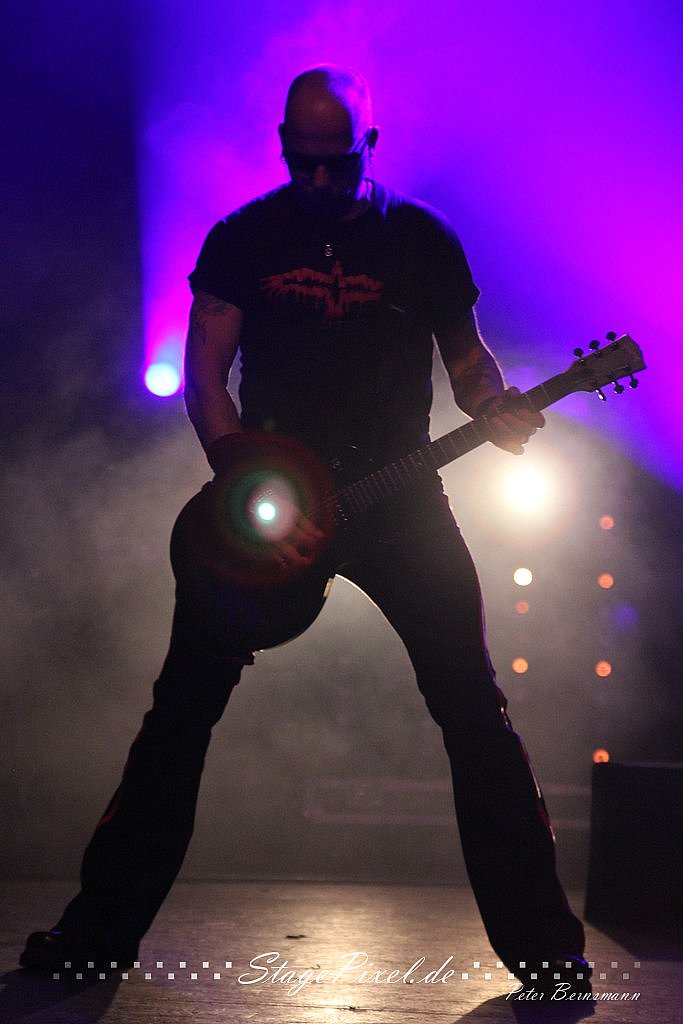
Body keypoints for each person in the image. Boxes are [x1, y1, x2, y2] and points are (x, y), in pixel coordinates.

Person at [20, 64, 590, 993]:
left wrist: (495, 407)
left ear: (371, 145)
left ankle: (548, 955)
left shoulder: (422, 239)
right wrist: (240, 484)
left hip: (402, 503)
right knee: (180, 714)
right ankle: (95, 935)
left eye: (338, 162)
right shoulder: (243, 237)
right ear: (283, 146)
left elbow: (468, 365)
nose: (319, 179)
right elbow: (205, 378)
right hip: (268, 504)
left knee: (473, 713)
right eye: (303, 161)